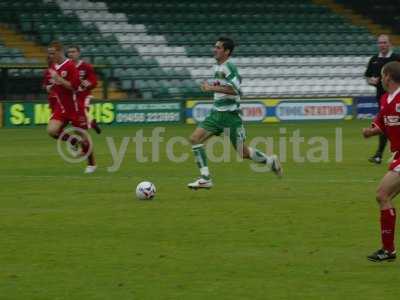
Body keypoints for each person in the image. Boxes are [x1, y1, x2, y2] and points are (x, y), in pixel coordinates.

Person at [187, 37, 282, 189]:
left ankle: (270, 161)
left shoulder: (229, 67)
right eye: (215, 47)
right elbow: (228, 86)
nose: (214, 49)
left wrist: (211, 88)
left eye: (218, 47)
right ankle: (205, 178)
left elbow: (235, 89)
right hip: (216, 114)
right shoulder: (217, 66)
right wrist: (214, 87)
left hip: (231, 118)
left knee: (243, 153)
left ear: (227, 51)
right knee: (195, 139)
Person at [362, 61, 400, 262]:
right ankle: (388, 250)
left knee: (382, 194)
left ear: (387, 77)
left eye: (383, 75)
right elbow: (384, 123)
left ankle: (389, 250)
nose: (381, 79)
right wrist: (370, 132)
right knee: (384, 195)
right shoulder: (386, 99)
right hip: (398, 156)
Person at [45, 41, 97, 174]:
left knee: (84, 136)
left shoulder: (70, 66)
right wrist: (49, 87)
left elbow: (73, 87)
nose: (50, 56)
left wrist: (59, 80)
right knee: (52, 131)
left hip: (75, 107)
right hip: (61, 108)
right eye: (49, 53)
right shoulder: (51, 67)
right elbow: (47, 84)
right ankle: (73, 140)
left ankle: (91, 164)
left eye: (52, 53)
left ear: (59, 52)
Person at [365, 34, 400, 164]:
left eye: (385, 42)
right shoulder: (374, 59)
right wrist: (371, 80)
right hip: (382, 98)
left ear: (390, 44)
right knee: (388, 124)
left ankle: (381, 154)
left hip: (397, 97)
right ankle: (383, 154)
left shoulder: (396, 58)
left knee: (390, 124)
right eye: (380, 43)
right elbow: (368, 77)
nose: (382, 45)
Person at [66, 45, 101, 134]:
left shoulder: (86, 66)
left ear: (78, 53)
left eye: (73, 52)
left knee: (82, 108)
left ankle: (91, 123)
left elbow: (93, 81)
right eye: (69, 52)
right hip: (70, 96)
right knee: (75, 119)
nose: (71, 54)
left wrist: (83, 83)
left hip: (84, 94)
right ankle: (89, 123)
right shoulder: (65, 66)